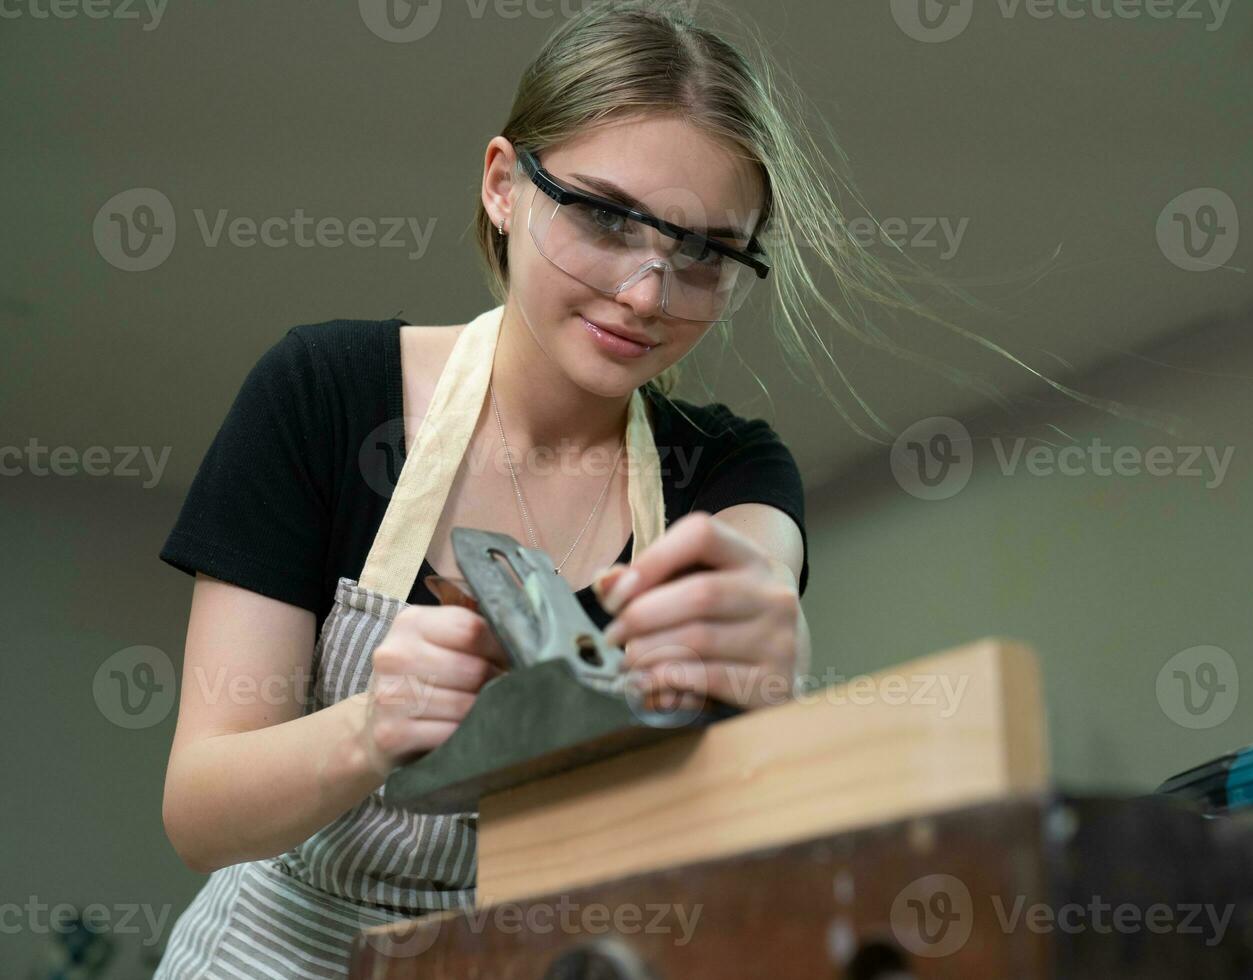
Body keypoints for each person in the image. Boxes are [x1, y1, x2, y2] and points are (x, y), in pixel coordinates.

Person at [153, 0, 1015, 975]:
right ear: (503, 186)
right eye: (605, 216)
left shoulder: (729, 470)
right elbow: (200, 810)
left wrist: (770, 651)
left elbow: (758, 562)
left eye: (704, 252)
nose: (648, 294)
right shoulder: (321, 397)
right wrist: (369, 727)